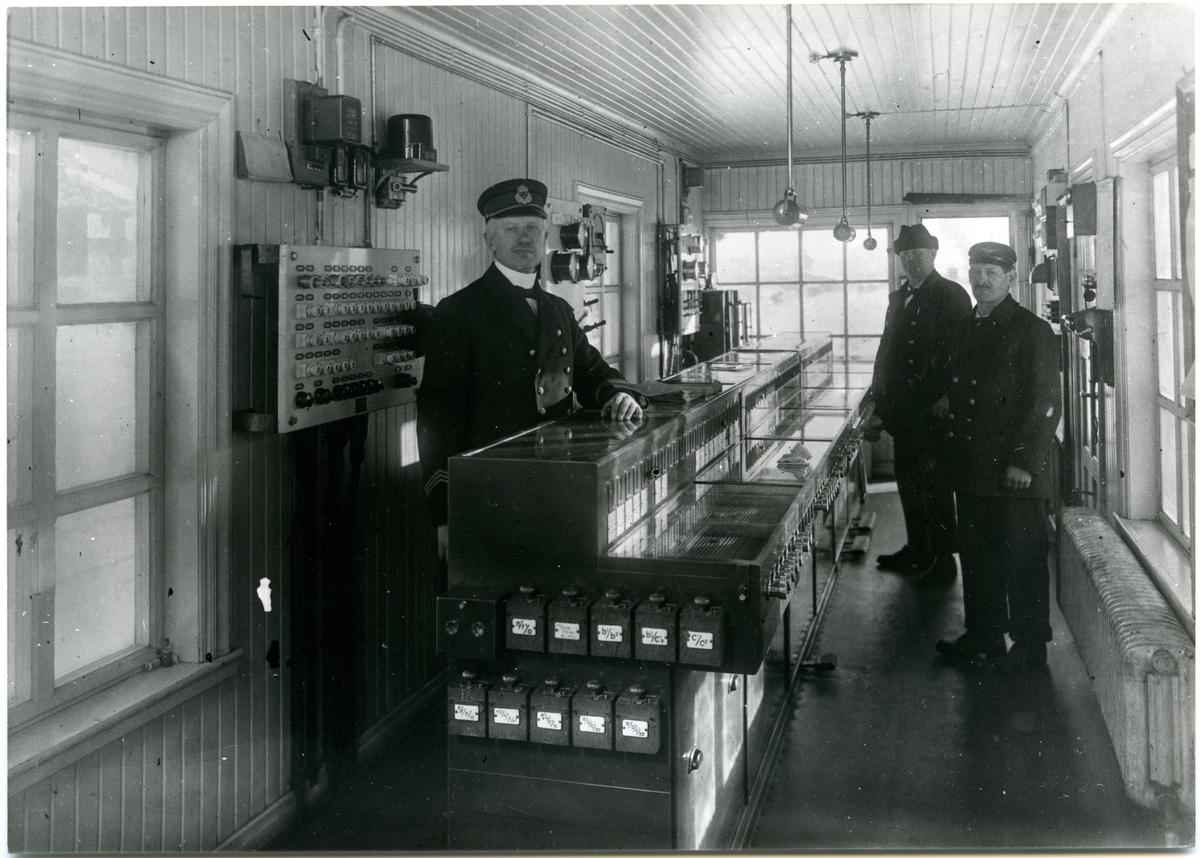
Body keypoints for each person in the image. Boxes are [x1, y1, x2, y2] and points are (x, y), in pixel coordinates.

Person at [417, 178, 644, 561]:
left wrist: (618, 394)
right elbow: (437, 418)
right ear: (489, 240)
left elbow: (591, 372)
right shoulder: (458, 311)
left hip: (558, 482)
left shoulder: (558, 310)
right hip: (489, 491)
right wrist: (445, 512)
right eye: (511, 229)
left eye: (533, 229)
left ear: (545, 238)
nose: (524, 238)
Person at [923, 241, 1061, 673]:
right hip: (972, 465)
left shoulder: (1031, 330)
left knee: (1023, 559)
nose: (981, 280)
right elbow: (951, 377)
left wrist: (1024, 461)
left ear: (1010, 279)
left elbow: (1044, 402)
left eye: (991, 273)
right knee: (978, 556)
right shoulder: (966, 326)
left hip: (1015, 470)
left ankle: (1030, 645)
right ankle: (984, 635)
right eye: (976, 272)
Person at [864, 224, 971, 585]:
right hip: (904, 406)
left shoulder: (951, 294)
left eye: (918, 254)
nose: (911, 260)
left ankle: (943, 559)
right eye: (905, 255)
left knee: (934, 483)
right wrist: (878, 398)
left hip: (932, 407)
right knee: (908, 480)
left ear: (933, 255)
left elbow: (959, 352)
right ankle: (917, 548)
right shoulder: (898, 297)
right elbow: (886, 350)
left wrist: (947, 396)